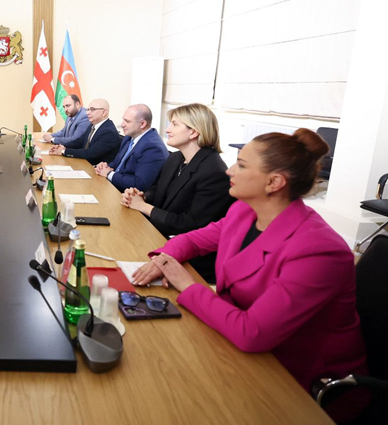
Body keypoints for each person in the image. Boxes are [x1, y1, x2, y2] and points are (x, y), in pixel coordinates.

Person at [132, 129, 368, 423]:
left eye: (241, 165)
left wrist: (187, 286)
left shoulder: (318, 250)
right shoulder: (243, 211)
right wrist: (164, 259)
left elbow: (252, 333)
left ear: (274, 182)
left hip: (300, 382)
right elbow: (194, 239)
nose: (229, 170)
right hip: (238, 348)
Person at [121, 103, 233, 283]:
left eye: (174, 124)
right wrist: (142, 196)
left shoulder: (214, 172)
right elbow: (157, 189)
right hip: (162, 237)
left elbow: (190, 224)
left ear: (193, 132)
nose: (167, 129)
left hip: (193, 261)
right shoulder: (176, 157)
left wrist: (143, 207)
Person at [96, 104, 168, 193]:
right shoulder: (129, 137)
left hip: (125, 194)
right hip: (112, 186)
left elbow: (139, 184)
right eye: (123, 120)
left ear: (142, 124)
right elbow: (117, 163)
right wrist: (104, 167)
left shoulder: (153, 148)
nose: (122, 124)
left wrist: (109, 174)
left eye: (127, 121)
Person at [49, 98, 122, 165]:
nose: (87, 113)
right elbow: (79, 141)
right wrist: (62, 146)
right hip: (85, 164)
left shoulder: (109, 131)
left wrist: (63, 151)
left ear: (104, 112)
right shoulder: (92, 125)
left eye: (92, 110)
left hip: (95, 170)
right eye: (88, 109)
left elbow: (91, 153)